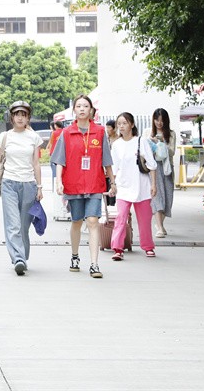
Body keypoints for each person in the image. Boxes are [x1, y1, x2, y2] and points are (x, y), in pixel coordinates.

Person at [51, 95, 115, 279]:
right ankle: (75, 256)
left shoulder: (100, 132)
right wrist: (59, 182)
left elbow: (106, 160)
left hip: (94, 183)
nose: (82, 109)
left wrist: (113, 182)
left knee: (93, 221)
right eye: (78, 106)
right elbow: (60, 160)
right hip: (74, 184)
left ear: (91, 110)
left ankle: (94, 264)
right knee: (77, 221)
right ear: (74, 110)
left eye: (85, 106)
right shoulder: (66, 133)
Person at [0, 101, 43, 275]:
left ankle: (22, 256)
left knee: (24, 226)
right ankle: (18, 258)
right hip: (9, 183)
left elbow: (36, 163)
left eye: (23, 115)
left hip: (29, 185)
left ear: (28, 118)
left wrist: (39, 187)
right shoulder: (5, 136)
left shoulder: (34, 137)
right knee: (13, 224)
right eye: (17, 114)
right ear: (11, 117)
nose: (20, 118)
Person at [109, 112, 157, 260]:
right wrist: (112, 185)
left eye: (124, 123)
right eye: (119, 124)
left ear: (132, 124)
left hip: (142, 186)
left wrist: (153, 185)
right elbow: (114, 167)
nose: (121, 126)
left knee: (145, 220)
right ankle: (118, 248)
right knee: (120, 218)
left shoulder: (141, 141)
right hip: (123, 186)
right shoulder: (116, 145)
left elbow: (152, 164)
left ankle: (148, 247)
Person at [149, 108, 176, 238]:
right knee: (157, 197)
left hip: (167, 168)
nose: (159, 123)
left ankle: (160, 224)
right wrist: (152, 143)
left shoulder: (171, 134)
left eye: (162, 120)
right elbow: (145, 153)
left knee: (168, 198)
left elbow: (172, 152)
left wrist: (160, 143)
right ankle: (159, 227)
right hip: (154, 169)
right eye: (157, 120)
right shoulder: (148, 133)